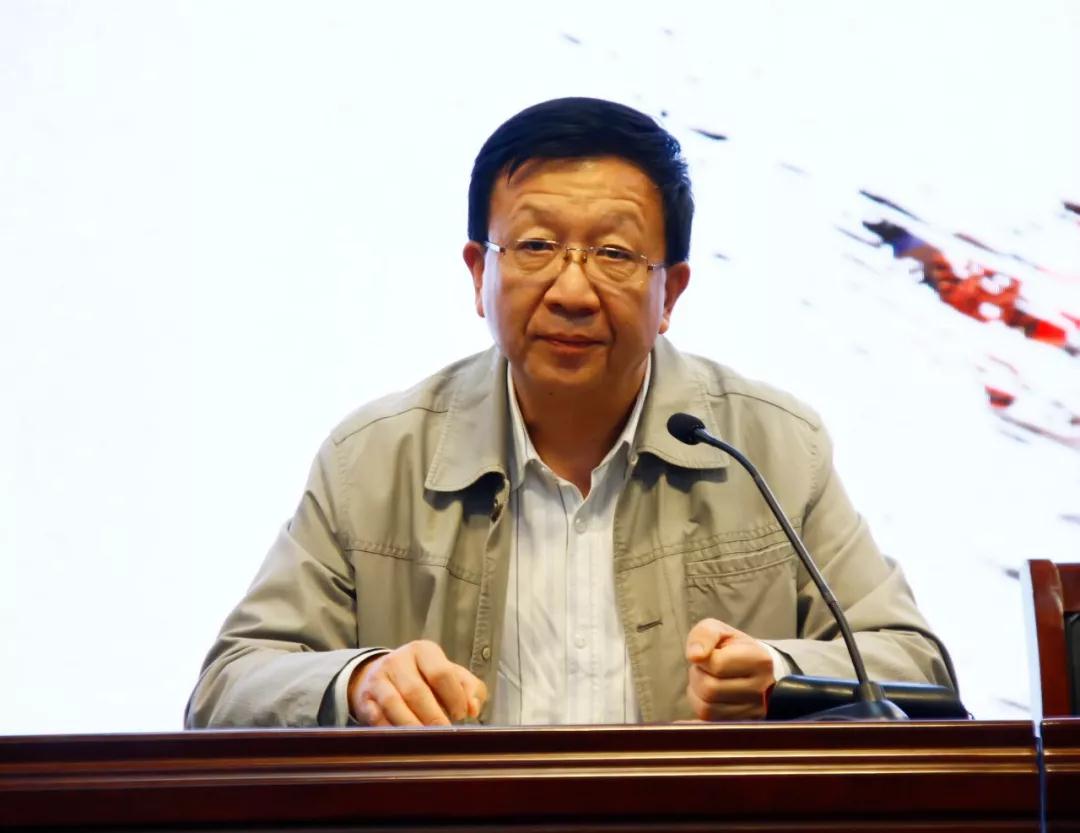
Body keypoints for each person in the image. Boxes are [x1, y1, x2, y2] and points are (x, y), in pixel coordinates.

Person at [185, 97, 956, 729]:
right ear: (478, 273)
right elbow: (228, 686)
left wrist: (783, 675)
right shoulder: (376, 458)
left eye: (614, 254)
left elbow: (917, 667)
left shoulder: (771, 445)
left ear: (671, 292)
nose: (573, 290)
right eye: (535, 246)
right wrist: (360, 682)